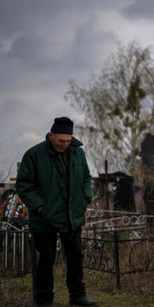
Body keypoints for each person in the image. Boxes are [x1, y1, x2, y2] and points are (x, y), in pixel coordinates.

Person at [16, 117, 99, 307]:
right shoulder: (34, 155)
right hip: (45, 218)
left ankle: (77, 296)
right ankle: (44, 300)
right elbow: (24, 185)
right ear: (51, 136)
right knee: (46, 259)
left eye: (68, 141)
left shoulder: (78, 153)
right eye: (61, 141)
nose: (65, 144)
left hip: (72, 217)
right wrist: (40, 207)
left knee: (76, 256)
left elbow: (86, 177)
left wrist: (85, 197)